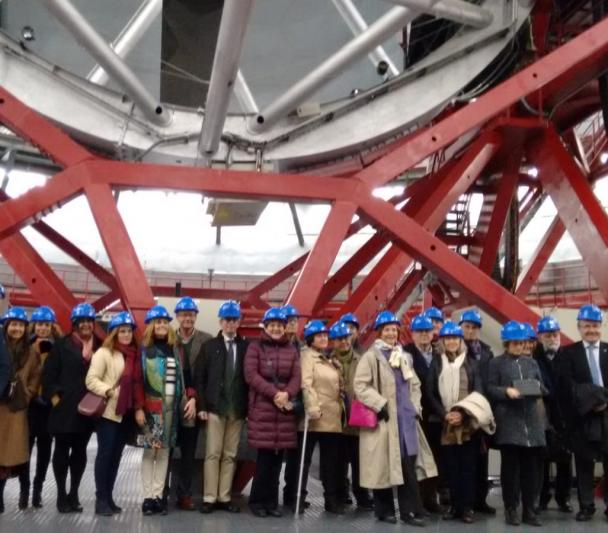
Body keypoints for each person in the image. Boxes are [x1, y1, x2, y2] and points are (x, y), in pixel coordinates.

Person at [354, 310, 437, 526]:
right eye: (387, 330)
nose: (391, 333)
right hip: (385, 421)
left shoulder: (403, 357)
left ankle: (411, 511)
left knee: (407, 465)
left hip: (406, 421)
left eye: (394, 329)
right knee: (383, 466)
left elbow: (415, 384)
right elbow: (360, 385)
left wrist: (416, 405)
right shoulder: (371, 357)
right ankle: (384, 511)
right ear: (380, 332)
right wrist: (379, 404)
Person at [487, 321, 546, 527]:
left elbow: (543, 387)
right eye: (516, 343)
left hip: (532, 424)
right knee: (510, 472)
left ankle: (530, 510)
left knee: (532, 471)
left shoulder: (532, 364)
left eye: (522, 343)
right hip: (509, 425)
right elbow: (489, 388)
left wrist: (540, 389)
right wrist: (506, 391)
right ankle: (511, 509)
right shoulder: (496, 364)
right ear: (507, 343)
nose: (520, 346)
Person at [43, 302, 100, 513]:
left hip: (87, 411)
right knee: (60, 452)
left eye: (89, 321)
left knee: (79, 452)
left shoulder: (99, 347)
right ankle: (60, 495)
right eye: (82, 321)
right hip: (64, 410)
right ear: (75, 323)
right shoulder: (61, 345)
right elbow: (49, 375)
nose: (86, 324)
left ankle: (73, 494)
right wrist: (56, 399)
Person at [244, 307, 301, 518]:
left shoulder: (292, 350)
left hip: (284, 413)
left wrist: (287, 394)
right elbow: (251, 375)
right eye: (272, 325)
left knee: (278, 461)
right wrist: (276, 394)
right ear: (266, 327)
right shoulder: (255, 348)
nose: (276, 328)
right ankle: (257, 501)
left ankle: (271, 502)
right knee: (264, 459)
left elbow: (297, 377)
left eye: (279, 325)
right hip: (264, 409)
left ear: (284, 327)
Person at [86, 311, 143, 516]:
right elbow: (91, 380)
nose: (127, 335)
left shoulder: (135, 355)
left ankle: (109, 497)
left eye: (129, 331)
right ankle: (100, 499)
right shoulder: (104, 353)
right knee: (105, 455)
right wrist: (109, 391)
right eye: (122, 331)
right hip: (109, 415)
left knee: (116, 457)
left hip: (125, 414)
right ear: (114, 333)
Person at [139, 305, 195, 516]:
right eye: (158, 322)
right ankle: (146, 497)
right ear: (151, 326)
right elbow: (138, 381)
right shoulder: (143, 350)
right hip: (152, 409)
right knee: (149, 453)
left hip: (172, 411)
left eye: (165, 322)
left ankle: (157, 496)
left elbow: (186, 378)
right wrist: (139, 407)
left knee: (163, 453)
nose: (162, 325)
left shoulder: (177, 349)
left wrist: (191, 398)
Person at [426, 321, 483, 523]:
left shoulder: (472, 363)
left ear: (460, 341)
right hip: (445, 425)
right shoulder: (436, 363)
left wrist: (463, 414)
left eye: (455, 338)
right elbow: (430, 392)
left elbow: (478, 392)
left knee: (468, 467)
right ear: (442, 341)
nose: (451, 342)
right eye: (447, 338)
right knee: (449, 468)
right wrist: (445, 415)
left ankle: (467, 508)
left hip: (467, 424)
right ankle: (454, 507)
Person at [196, 300, 248, 514]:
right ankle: (209, 498)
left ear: (239, 322)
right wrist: (202, 406)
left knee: (229, 455)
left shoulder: (246, 347)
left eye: (234, 320)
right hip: (215, 409)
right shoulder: (209, 347)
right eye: (227, 320)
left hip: (236, 409)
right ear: (220, 321)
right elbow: (199, 378)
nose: (230, 323)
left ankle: (224, 497)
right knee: (212, 454)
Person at [558, 304, 608, 522]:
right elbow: (568, 386)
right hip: (583, 417)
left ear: (601, 327)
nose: (591, 330)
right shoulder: (568, 353)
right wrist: (592, 400)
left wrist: (603, 400)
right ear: (579, 327)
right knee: (584, 463)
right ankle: (586, 507)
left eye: (595, 326)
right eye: (586, 326)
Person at [294, 320, 346, 514]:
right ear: (310, 339)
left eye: (325, 335)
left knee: (330, 462)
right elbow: (306, 384)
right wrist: (312, 407)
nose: (324, 338)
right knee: (304, 461)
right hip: (314, 416)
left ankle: (331, 500)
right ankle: (298, 497)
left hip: (332, 418)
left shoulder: (329, 359)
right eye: (319, 335)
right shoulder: (307, 356)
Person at [171, 296, 211, 511]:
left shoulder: (207, 340)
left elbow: (208, 376)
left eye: (191, 314)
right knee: (165, 450)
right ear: (177, 317)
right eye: (184, 314)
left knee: (188, 453)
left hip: (194, 405)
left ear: (196, 316)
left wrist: (196, 401)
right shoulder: (167, 338)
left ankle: (184, 494)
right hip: (169, 404)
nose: (187, 318)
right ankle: (160, 493)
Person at [20, 306, 62, 509]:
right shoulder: (25, 346)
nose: (43, 328)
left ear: (52, 326)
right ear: (34, 326)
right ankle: (24, 490)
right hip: (29, 406)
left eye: (46, 324)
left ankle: (37, 490)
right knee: (25, 451)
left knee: (45, 452)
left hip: (48, 408)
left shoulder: (59, 348)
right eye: (40, 324)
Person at [330, 321, 373, 511]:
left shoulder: (362, 359)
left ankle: (362, 495)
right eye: (340, 339)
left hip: (357, 419)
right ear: (333, 341)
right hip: (336, 420)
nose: (344, 342)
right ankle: (340, 495)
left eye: (347, 338)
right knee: (337, 462)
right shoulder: (327, 361)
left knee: (359, 461)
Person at [0, 308, 39, 514]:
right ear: (7, 326)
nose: (16, 328)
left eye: (20, 325)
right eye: (13, 324)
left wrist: (28, 393)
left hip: (17, 409)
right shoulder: (0, 347)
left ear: (25, 328)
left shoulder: (31, 353)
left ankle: (25, 494)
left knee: (15, 454)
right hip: (0, 406)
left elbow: (35, 376)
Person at [403, 313, 443, 514]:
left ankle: (431, 498)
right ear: (413, 334)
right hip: (415, 415)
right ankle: (416, 501)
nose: (424, 335)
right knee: (416, 459)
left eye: (427, 331)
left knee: (434, 457)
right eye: (420, 332)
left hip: (436, 416)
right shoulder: (405, 354)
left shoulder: (439, 355)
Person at [533, 316, 572, 513]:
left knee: (565, 459)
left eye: (555, 334)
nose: (553, 338)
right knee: (542, 460)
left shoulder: (567, 356)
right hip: (543, 416)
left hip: (564, 415)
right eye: (548, 335)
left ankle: (563, 498)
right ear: (540, 336)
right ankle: (541, 498)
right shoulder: (533, 358)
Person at [459, 309, 495, 515]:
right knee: (466, 460)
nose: (470, 331)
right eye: (467, 327)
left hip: (483, 412)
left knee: (482, 458)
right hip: (464, 411)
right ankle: (467, 502)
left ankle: (481, 500)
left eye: (474, 327)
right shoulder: (455, 350)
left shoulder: (487, 352)